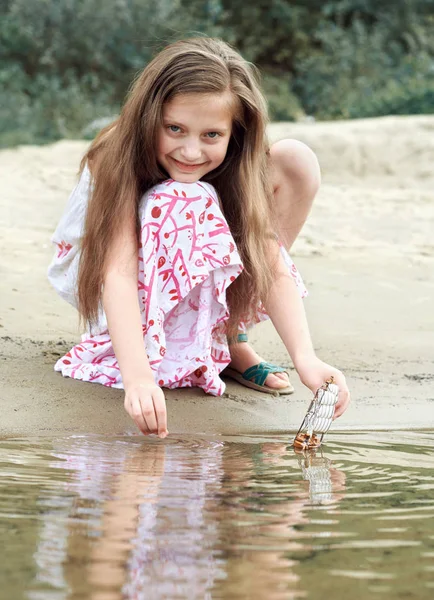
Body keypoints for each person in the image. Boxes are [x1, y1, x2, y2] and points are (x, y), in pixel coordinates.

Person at [48, 37, 350, 439]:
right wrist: (138, 377)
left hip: (174, 257)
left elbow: (267, 256)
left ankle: (229, 334)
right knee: (182, 196)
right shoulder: (116, 152)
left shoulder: (237, 160)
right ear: (149, 116)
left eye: (211, 135)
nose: (190, 151)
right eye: (174, 129)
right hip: (98, 269)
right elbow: (117, 271)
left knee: (294, 160)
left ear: (234, 132)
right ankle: (163, 340)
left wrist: (306, 357)